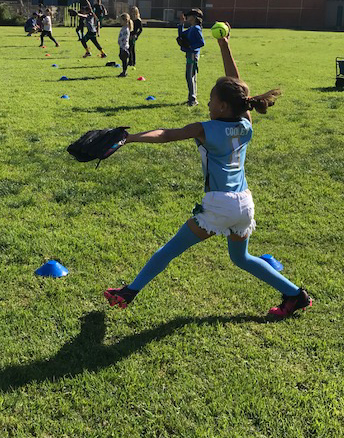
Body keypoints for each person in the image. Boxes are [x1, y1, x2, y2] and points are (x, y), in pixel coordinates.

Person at [104, 27, 312, 319]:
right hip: (244, 204)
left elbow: (166, 134)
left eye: (212, 99)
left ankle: (129, 292)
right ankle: (295, 294)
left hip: (220, 204)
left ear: (223, 106)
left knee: (169, 249)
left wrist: (130, 138)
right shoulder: (245, 123)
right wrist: (224, 45)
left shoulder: (206, 128)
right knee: (242, 259)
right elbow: (239, 88)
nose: (208, 102)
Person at [177, 8, 205, 106]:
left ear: (194, 18)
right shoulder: (192, 28)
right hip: (190, 54)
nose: (187, 17)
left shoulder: (196, 28)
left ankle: (193, 99)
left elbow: (201, 43)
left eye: (189, 16)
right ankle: (191, 97)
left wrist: (191, 47)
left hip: (193, 54)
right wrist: (181, 24)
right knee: (190, 76)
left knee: (190, 76)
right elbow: (181, 35)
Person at [117, 13, 133, 77]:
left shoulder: (126, 29)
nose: (120, 22)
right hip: (121, 46)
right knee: (122, 59)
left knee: (124, 61)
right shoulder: (123, 28)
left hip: (124, 47)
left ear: (125, 20)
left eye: (121, 20)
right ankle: (124, 71)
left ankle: (124, 72)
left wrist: (123, 45)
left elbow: (125, 38)